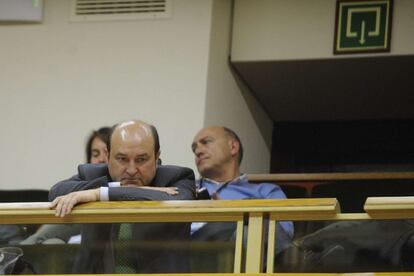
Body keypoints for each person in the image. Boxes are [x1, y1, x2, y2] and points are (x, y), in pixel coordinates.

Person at [48, 120, 196, 273]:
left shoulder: (178, 177)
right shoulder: (91, 174)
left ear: (156, 156)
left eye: (141, 160)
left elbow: (176, 201)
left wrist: (100, 193)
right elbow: (56, 192)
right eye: (122, 159)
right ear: (108, 154)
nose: (131, 170)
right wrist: (125, 189)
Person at [190, 126, 294, 253]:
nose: (198, 151)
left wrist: (230, 215)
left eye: (206, 142)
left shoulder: (266, 191)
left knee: (256, 224)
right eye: (194, 148)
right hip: (192, 252)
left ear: (233, 147)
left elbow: (283, 234)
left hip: (245, 258)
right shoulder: (186, 188)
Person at [20, 127, 112, 245]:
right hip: (79, 219)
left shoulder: (122, 180)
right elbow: (55, 192)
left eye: (106, 153)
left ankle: (11, 258)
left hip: (100, 225)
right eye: (95, 154)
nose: (101, 159)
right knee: (53, 243)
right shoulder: (85, 178)